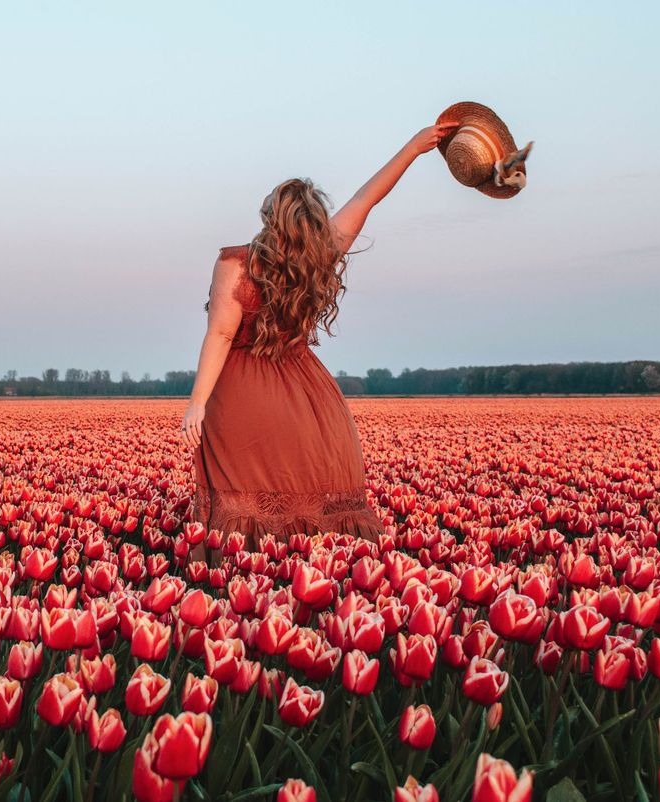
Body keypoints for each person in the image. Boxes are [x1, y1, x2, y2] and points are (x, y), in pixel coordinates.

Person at [182, 121, 460, 562]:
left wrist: (197, 401)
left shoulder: (236, 264)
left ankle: (246, 598)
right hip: (311, 398)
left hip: (242, 396)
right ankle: (313, 592)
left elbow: (219, 333)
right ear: (311, 222)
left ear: (270, 217)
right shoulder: (320, 256)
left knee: (245, 509)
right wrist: (413, 148)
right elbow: (367, 198)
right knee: (313, 507)